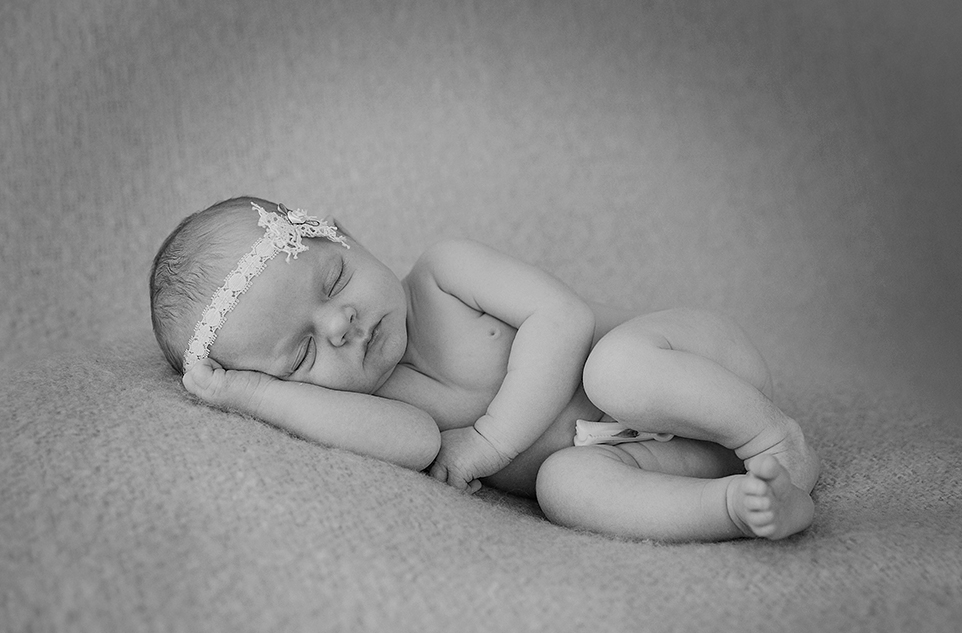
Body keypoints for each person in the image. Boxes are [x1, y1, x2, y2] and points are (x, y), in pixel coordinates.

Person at [150, 197, 820, 542]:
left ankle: (775, 440)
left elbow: (562, 318)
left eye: (335, 280)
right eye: (302, 354)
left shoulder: (445, 273)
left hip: (694, 369)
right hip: (659, 452)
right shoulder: (384, 405)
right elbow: (414, 444)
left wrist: (492, 440)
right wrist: (250, 394)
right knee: (563, 488)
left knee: (615, 371)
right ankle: (739, 505)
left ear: (345, 234)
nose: (339, 324)